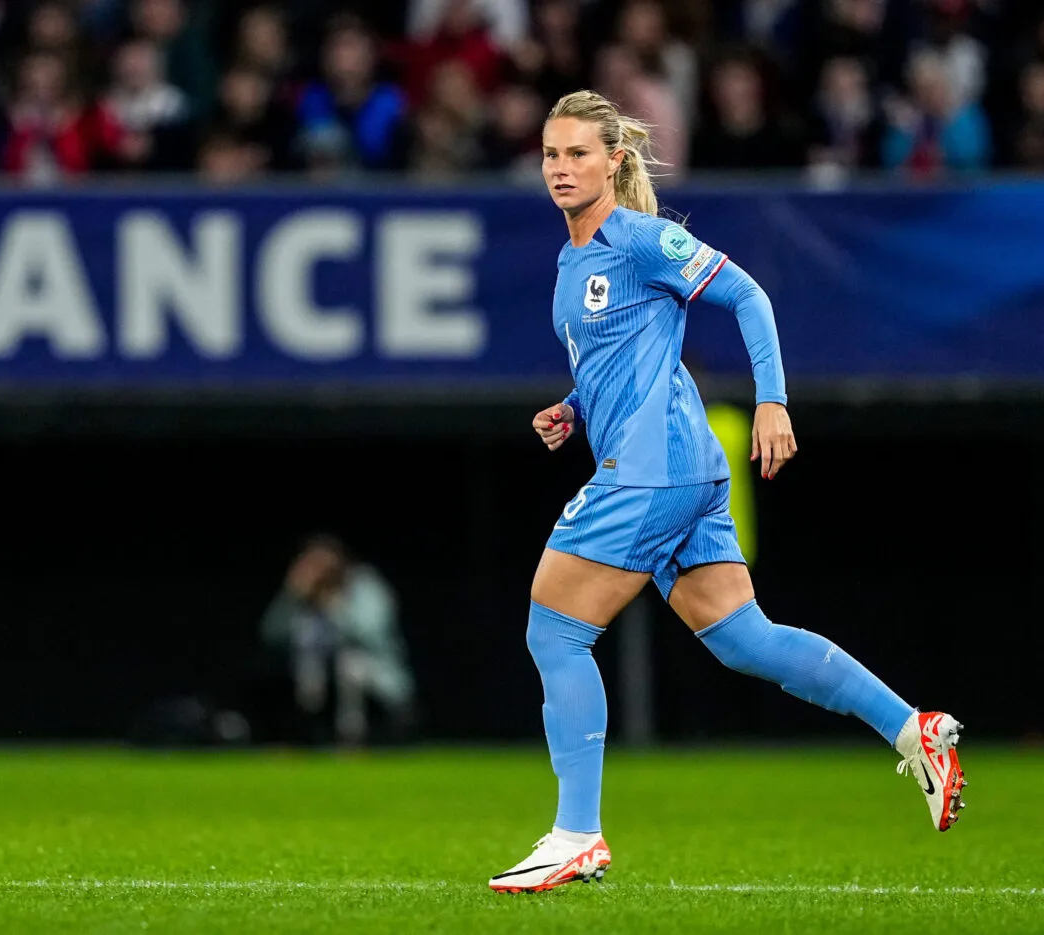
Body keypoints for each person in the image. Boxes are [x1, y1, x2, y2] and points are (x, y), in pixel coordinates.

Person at [488, 90, 967, 894]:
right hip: (682, 468)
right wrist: (573, 408)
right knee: (745, 637)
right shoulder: (575, 259)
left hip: (654, 468)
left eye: (577, 153)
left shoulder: (639, 238)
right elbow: (622, 356)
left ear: (613, 160)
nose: (560, 168)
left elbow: (748, 293)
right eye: (550, 154)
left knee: (556, 629)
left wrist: (772, 399)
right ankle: (912, 727)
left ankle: (577, 833)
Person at [254, 534, 416, 746]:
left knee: (350, 665)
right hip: (318, 685)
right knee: (307, 659)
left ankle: (352, 739)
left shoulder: (364, 585)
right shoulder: (304, 595)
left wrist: (333, 604)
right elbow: (271, 633)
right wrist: (292, 595)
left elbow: (370, 633)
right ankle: (304, 733)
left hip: (376, 680)